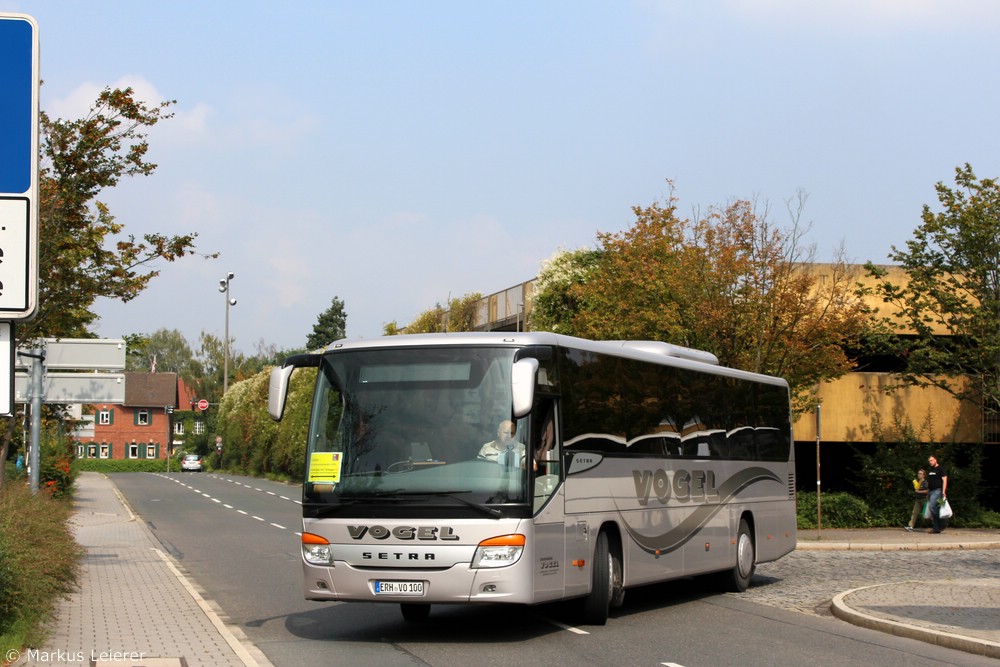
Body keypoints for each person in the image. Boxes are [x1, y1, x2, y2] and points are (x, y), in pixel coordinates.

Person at [925, 454, 949, 534]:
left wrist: (943, 491)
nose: (930, 462)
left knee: (932, 507)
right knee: (934, 509)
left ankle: (942, 523)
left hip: (937, 490)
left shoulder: (940, 469)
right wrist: (928, 493)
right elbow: (929, 482)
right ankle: (937, 527)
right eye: (929, 461)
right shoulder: (931, 470)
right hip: (931, 491)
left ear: (936, 460)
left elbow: (945, 480)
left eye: (931, 460)